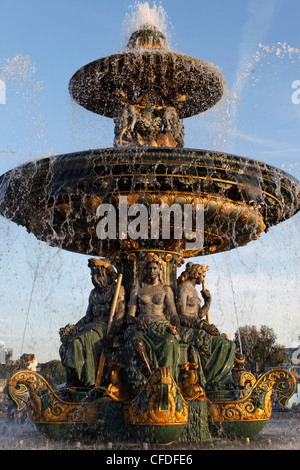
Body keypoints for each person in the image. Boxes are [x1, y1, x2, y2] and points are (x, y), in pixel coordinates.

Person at [59, 258, 125, 387]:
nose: (95, 278)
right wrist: (73, 328)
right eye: (93, 274)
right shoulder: (93, 293)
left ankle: (86, 382)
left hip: (105, 326)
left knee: (77, 343)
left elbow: (120, 314)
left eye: (98, 274)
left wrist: (112, 334)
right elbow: (88, 316)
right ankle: (73, 381)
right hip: (91, 326)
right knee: (66, 344)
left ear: (108, 275)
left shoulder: (117, 289)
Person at [124, 252, 181, 393]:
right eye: (149, 268)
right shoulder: (137, 288)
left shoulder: (166, 289)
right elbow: (129, 316)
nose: (152, 271)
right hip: (142, 326)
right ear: (145, 269)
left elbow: (173, 314)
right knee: (137, 343)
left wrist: (176, 327)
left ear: (160, 269)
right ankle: (153, 380)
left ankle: (168, 382)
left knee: (170, 343)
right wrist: (137, 321)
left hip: (161, 326)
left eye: (155, 268)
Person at [176, 262, 236, 391]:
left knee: (228, 343)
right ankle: (213, 380)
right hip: (185, 328)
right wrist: (202, 325)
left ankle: (223, 378)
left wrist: (208, 302)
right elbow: (181, 315)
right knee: (220, 344)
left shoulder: (194, 290)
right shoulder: (183, 288)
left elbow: (199, 314)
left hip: (196, 326)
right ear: (196, 274)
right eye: (203, 275)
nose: (203, 278)